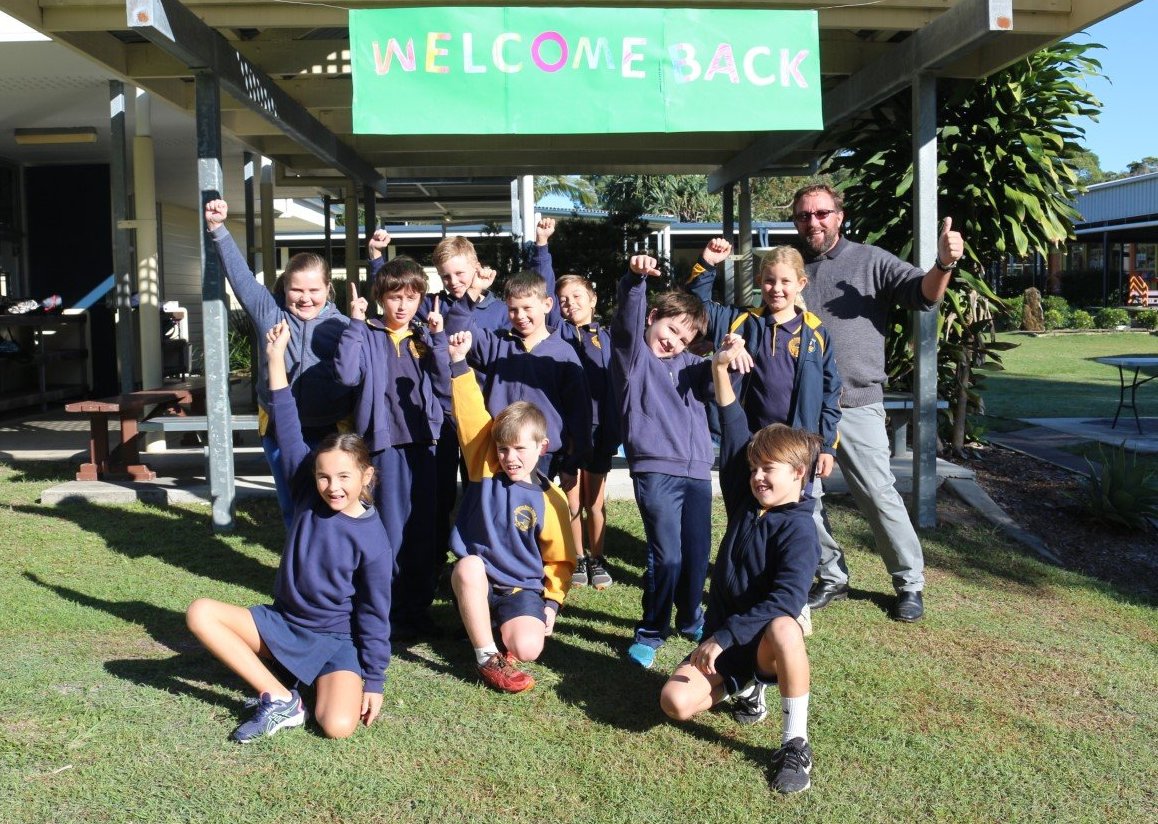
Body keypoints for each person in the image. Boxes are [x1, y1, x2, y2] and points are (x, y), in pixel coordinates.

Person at [186, 320, 392, 742]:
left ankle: (309, 678)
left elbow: (374, 614)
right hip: (281, 624)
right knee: (200, 612)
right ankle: (280, 696)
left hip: (334, 639)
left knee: (336, 726)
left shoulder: (374, 539)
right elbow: (285, 420)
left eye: (343, 477)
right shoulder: (305, 492)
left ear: (366, 475)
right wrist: (275, 359)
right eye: (323, 477)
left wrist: (374, 680)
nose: (332, 487)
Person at [659, 334, 822, 795]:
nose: (757, 476)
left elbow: (787, 599)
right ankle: (746, 687)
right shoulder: (745, 503)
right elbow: (733, 428)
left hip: (759, 638)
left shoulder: (800, 529)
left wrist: (725, 637)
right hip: (727, 640)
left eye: (768, 469)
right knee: (673, 701)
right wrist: (718, 369)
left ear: (798, 473)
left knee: (787, 626)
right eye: (754, 468)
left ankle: (795, 742)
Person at [204, 199, 353, 530]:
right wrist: (218, 229)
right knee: (291, 503)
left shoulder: (343, 327)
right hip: (278, 430)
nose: (304, 298)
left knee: (331, 504)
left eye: (314, 290)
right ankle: (296, 566)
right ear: (283, 289)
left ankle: (329, 566)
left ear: (328, 288)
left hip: (330, 431)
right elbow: (241, 278)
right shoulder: (269, 313)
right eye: (295, 289)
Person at [445, 330, 577, 693]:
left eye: (519, 449)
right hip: (480, 580)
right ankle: (487, 656)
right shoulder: (483, 467)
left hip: (521, 589)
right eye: (502, 449)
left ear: (542, 447)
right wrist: (459, 363)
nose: (509, 458)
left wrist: (551, 604)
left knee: (529, 647)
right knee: (469, 566)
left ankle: (499, 631)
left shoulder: (551, 498)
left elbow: (561, 560)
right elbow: (471, 414)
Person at [334, 260, 449, 641]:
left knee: (423, 532)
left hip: (424, 445)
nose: (402, 306)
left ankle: (417, 612)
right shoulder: (366, 334)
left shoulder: (423, 336)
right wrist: (353, 322)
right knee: (390, 533)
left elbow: (446, 388)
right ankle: (381, 614)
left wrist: (437, 342)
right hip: (384, 448)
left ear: (422, 299)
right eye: (394, 297)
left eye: (411, 298)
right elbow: (347, 375)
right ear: (380, 298)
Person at [612, 253, 714, 669]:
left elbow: (722, 380)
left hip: (697, 472)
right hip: (656, 470)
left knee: (695, 554)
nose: (673, 342)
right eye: (670, 329)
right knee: (666, 556)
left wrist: (731, 356)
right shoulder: (633, 359)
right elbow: (625, 324)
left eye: (684, 339)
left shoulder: (691, 366)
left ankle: (691, 619)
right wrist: (635, 282)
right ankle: (652, 631)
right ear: (653, 317)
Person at [685, 239, 842, 496]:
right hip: (748, 443)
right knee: (745, 513)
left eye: (785, 282)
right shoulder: (741, 322)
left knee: (797, 516)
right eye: (769, 280)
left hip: (797, 447)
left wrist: (827, 447)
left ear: (801, 284)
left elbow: (830, 394)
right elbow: (698, 306)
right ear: (760, 281)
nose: (776, 289)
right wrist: (708, 263)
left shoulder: (816, 333)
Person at [449, 268, 592, 481]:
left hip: (542, 455)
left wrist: (572, 462)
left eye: (527, 308)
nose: (520, 316)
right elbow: (455, 327)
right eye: (513, 310)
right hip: (498, 449)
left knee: (532, 513)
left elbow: (579, 412)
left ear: (547, 304)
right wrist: (474, 289)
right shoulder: (496, 343)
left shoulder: (563, 354)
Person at [555, 273, 621, 590]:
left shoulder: (608, 339)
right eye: (564, 299)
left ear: (593, 299)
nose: (571, 303)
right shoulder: (556, 336)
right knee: (572, 500)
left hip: (600, 432)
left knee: (594, 501)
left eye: (578, 296)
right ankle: (577, 557)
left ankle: (598, 558)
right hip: (569, 433)